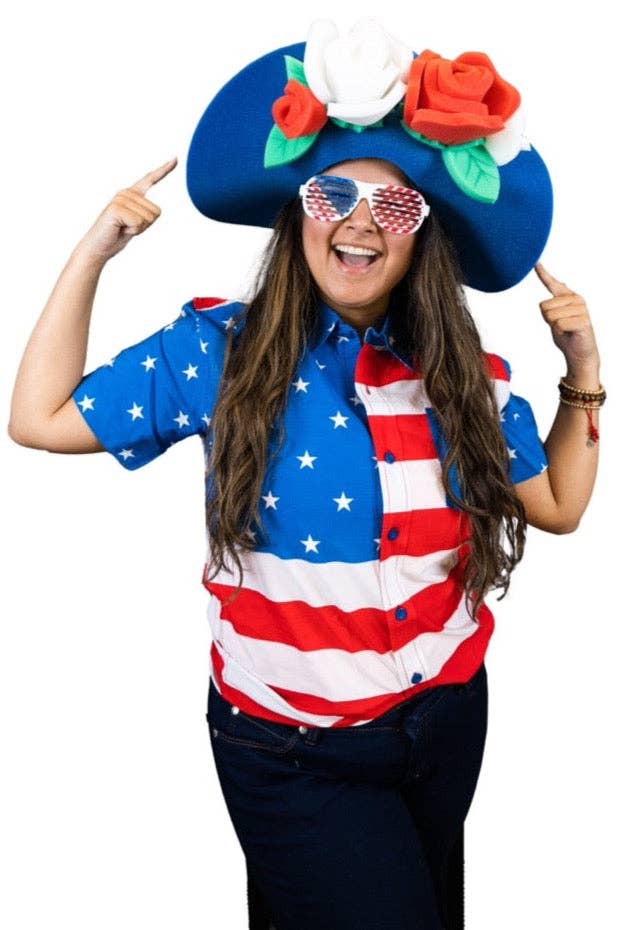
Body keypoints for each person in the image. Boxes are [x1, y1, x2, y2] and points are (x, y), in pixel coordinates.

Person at [8, 17, 603, 930]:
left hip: (445, 722)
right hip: (291, 748)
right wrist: (94, 250)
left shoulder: (464, 377)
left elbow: (558, 506)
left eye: (394, 209)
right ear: (300, 214)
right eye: (333, 194)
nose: (360, 221)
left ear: (421, 240)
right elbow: (38, 421)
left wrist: (583, 372)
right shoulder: (217, 351)